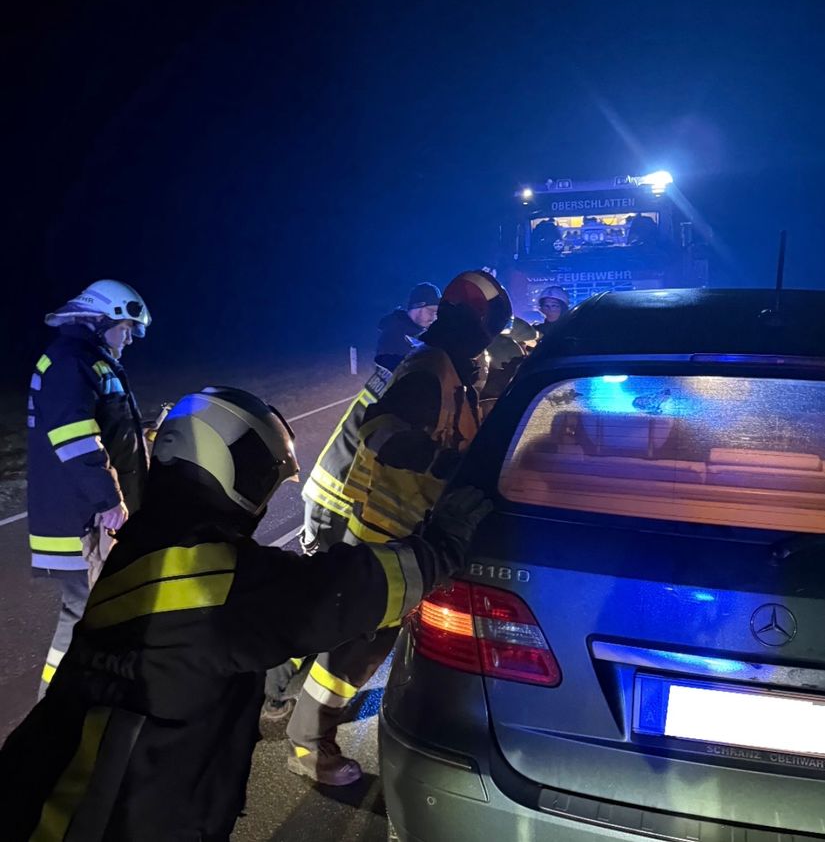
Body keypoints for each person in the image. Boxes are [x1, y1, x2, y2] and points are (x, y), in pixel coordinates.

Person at [0, 387, 491, 842]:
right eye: (263, 473)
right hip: (109, 816)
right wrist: (441, 547)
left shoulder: (147, 543)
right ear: (228, 462)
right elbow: (341, 593)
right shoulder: (211, 577)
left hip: (52, 789)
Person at [285, 270, 512, 785]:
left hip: (395, 529)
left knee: (342, 631)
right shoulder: (430, 370)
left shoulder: (447, 367)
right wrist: (439, 465)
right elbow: (381, 430)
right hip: (384, 532)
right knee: (356, 646)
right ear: (478, 321)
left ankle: (286, 709)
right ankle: (308, 743)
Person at [27, 280, 151, 699]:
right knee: (84, 613)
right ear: (102, 320)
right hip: (79, 520)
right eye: (127, 328)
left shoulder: (91, 361)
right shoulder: (69, 362)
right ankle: (54, 709)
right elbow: (75, 440)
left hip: (89, 514)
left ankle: (85, 699)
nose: (130, 338)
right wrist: (108, 498)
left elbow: (105, 430)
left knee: (100, 610)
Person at [375, 282, 441, 372]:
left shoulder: (426, 334)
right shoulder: (393, 332)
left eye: (437, 313)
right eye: (431, 311)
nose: (434, 317)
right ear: (417, 307)